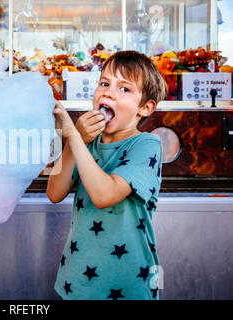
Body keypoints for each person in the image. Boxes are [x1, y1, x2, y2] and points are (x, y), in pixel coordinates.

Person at [48, 50, 167, 300]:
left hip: (131, 281)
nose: (108, 92)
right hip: (78, 279)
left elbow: (105, 194)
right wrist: (76, 140)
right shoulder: (86, 143)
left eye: (124, 89)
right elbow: (54, 193)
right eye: (104, 83)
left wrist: (73, 136)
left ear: (145, 108)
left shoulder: (147, 145)